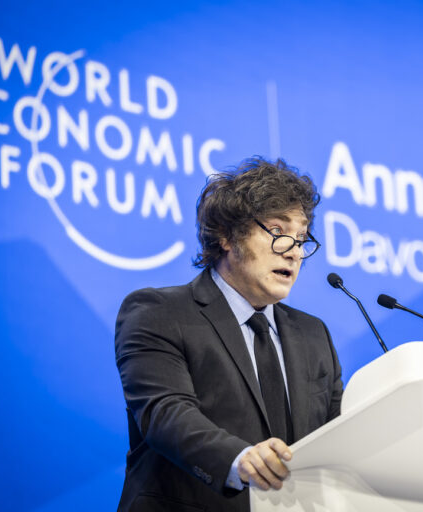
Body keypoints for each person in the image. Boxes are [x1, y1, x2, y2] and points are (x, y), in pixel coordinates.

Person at [114, 157, 344, 511]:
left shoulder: (314, 335)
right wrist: (239, 459)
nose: (295, 251)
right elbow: (165, 413)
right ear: (226, 235)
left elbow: (336, 435)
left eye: (301, 237)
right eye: (278, 232)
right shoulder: (159, 312)